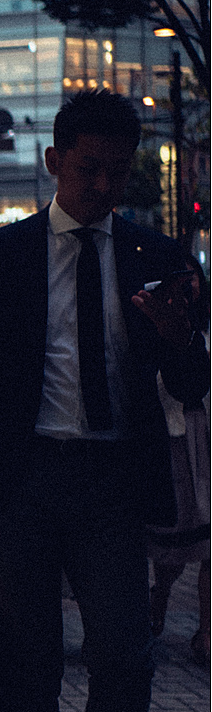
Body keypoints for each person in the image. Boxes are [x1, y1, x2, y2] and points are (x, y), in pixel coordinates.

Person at [0, 90, 209, 712]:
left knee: (126, 653)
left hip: (109, 481)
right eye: (88, 168)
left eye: (118, 172)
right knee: (30, 667)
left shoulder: (157, 259)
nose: (102, 186)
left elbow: (191, 384)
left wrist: (178, 335)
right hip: (19, 480)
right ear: (54, 162)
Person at [146, 253, 210, 663]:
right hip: (168, 440)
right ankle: (159, 597)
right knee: (170, 539)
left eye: (193, 282)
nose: (188, 291)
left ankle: (206, 630)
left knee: (207, 538)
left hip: (201, 438)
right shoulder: (150, 326)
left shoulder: (202, 329)